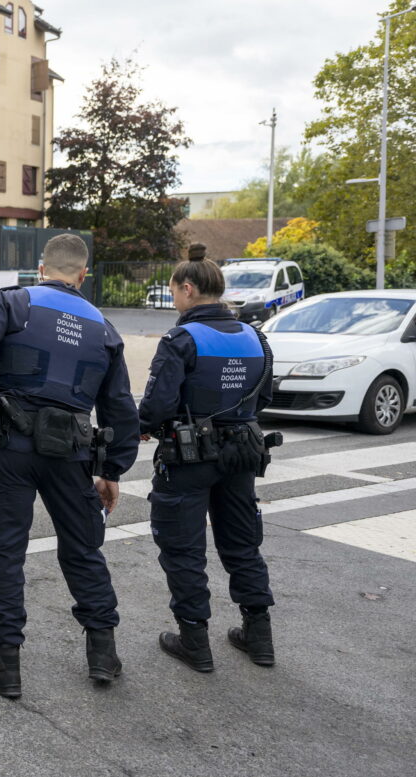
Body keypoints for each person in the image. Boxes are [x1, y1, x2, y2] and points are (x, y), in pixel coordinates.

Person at [0, 233, 139, 698]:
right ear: (82, 275)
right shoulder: (103, 327)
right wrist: (112, 472)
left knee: (4, 552)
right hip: (71, 454)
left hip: (10, 448)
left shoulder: (15, 303)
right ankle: (103, 654)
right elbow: (120, 409)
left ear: (41, 268)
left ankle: (6, 663)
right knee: (82, 551)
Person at [138, 243, 277, 672]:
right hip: (242, 453)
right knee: (242, 544)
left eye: (174, 292)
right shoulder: (257, 338)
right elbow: (265, 397)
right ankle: (259, 637)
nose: (174, 300)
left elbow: (157, 406)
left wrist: (143, 424)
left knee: (184, 549)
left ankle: (194, 641)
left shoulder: (181, 339)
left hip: (189, 458)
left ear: (188, 288)